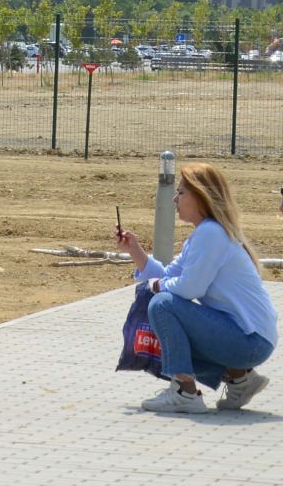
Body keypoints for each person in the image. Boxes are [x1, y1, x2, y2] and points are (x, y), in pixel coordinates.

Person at [116, 163, 275, 414]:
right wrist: (135, 251)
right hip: (253, 340)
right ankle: (240, 380)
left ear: (201, 196)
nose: (175, 199)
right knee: (168, 317)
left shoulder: (211, 233)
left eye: (181, 192)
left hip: (250, 341)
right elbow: (168, 275)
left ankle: (184, 393)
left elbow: (190, 288)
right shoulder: (207, 233)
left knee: (162, 305)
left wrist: (158, 286)